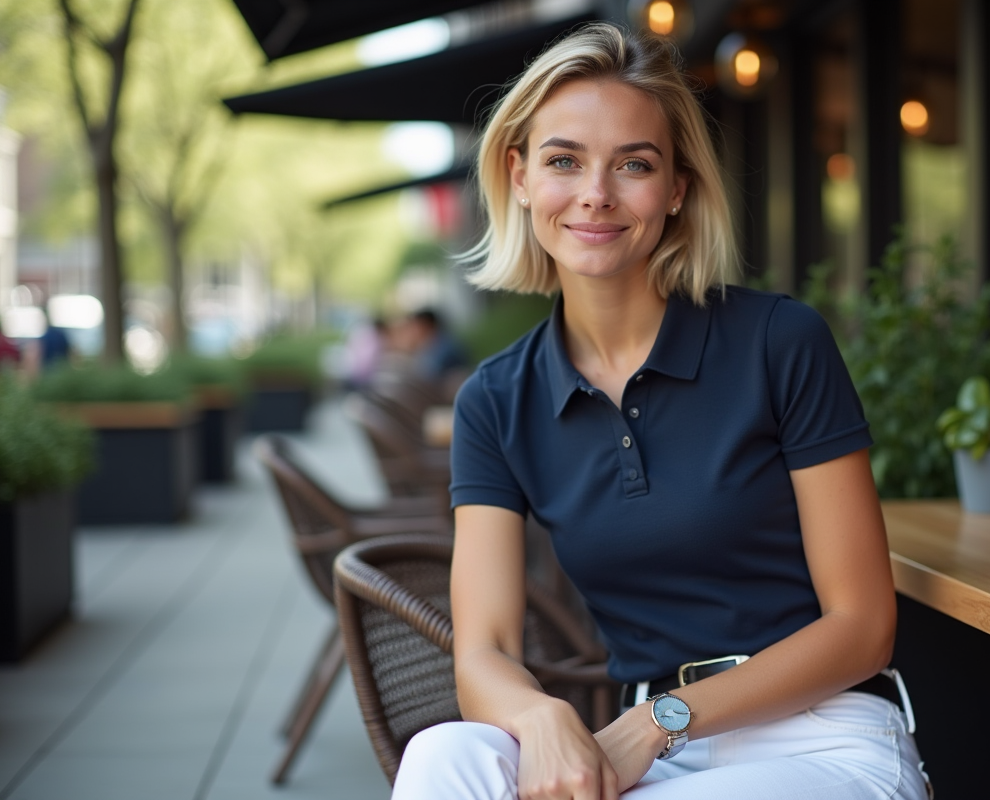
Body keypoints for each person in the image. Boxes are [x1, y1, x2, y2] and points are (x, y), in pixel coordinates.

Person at [391, 23, 931, 800]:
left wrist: (659, 722)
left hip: (824, 736)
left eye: (634, 165)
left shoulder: (779, 342)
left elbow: (862, 626)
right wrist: (543, 719)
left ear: (677, 188)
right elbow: (486, 651)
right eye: (564, 160)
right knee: (444, 756)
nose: (595, 194)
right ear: (518, 175)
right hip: (645, 749)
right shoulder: (496, 401)